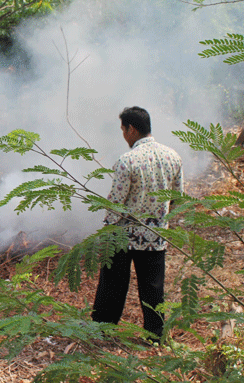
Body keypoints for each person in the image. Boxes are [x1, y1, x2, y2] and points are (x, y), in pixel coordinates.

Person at [91, 106, 184, 344]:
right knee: (153, 288)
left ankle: (102, 330)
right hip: (155, 235)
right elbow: (177, 198)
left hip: (124, 236)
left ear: (131, 129)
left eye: (123, 130)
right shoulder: (173, 157)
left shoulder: (127, 161)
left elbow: (116, 203)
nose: (123, 135)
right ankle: (155, 336)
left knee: (113, 284)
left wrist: (106, 232)